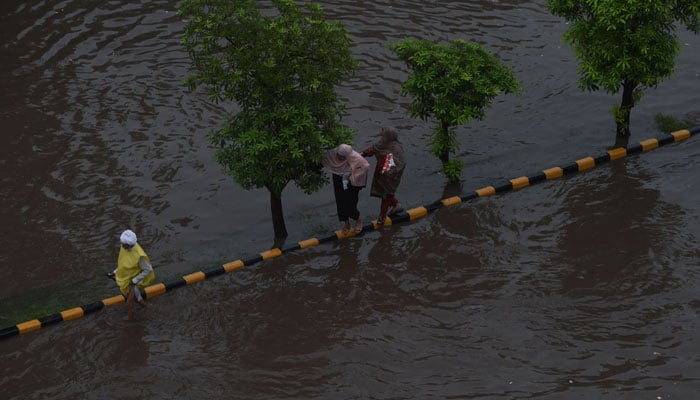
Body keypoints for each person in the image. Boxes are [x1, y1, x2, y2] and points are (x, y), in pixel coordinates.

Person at [361, 126, 406, 225]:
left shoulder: (396, 148)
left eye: (384, 135)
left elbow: (401, 163)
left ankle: (382, 217)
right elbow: (373, 150)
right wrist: (361, 154)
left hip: (391, 176)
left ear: (389, 137)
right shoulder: (382, 143)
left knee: (386, 194)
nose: (381, 137)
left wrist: (389, 171)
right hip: (381, 172)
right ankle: (396, 204)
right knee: (383, 191)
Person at [322, 144, 370, 234]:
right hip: (338, 177)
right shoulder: (332, 153)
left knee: (351, 201)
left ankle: (357, 220)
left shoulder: (355, 157)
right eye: (338, 156)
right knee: (340, 201)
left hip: (351, 181)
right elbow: (323, 157)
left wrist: (352, 175)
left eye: (342, 157)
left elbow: (365, 166)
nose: (339, 158)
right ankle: (346, 223)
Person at [115, 229, 155, 320]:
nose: (122, 246)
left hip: (132, 281)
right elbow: (123, 261)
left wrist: (135, 280)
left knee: (129, 304)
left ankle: (131, 322)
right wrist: (115, 271)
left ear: (129, 245)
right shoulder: (124, 247)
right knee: (136, 298)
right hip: (125, 279)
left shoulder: (139, 255)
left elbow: (148, 269)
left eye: (124, 245)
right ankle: (146, 306)